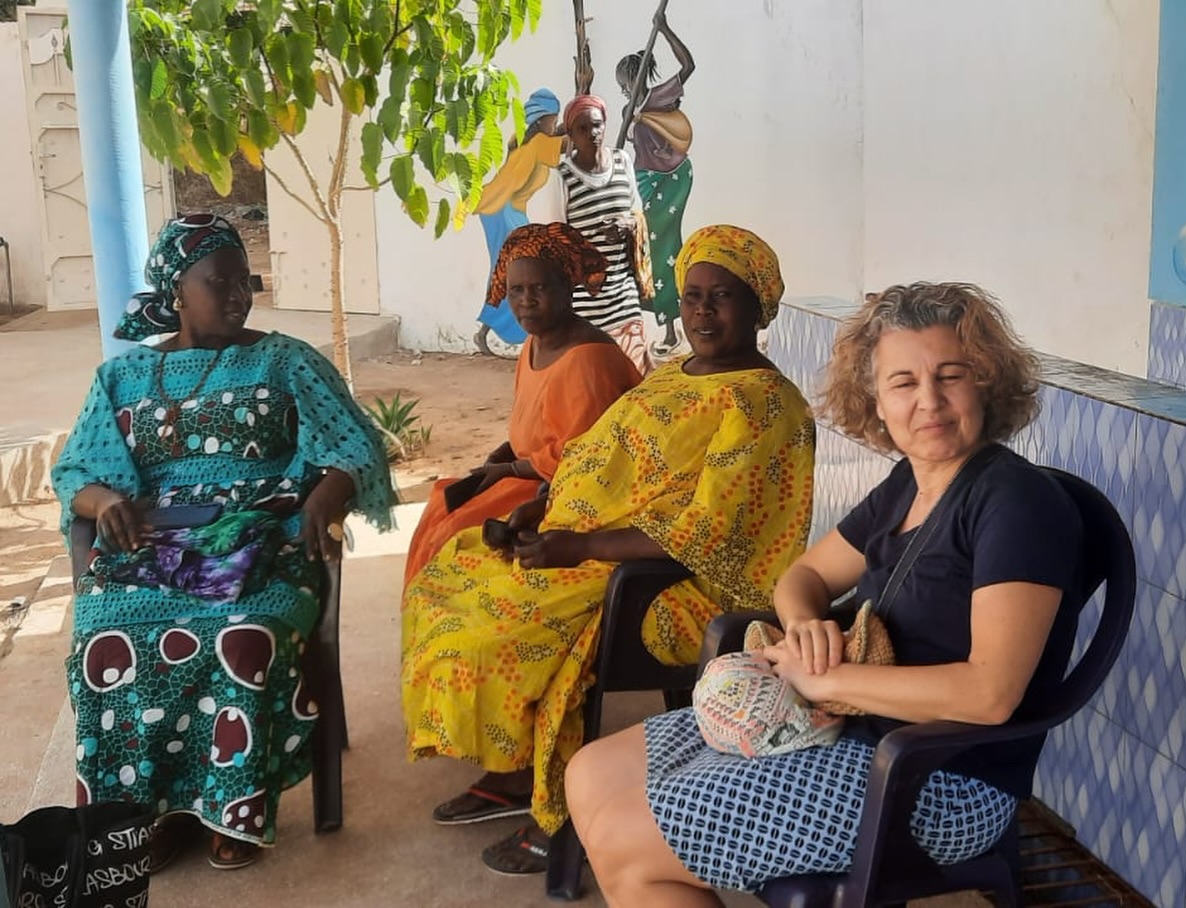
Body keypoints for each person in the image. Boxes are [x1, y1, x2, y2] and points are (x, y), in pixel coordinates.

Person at [564, 281, 1088, 905]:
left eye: (952, 375)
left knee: (629, 840)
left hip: (939, 780)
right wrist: (805, 623)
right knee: (591, 772)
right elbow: (803, 578)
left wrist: (825, 682)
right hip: (849, 731)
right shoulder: (910, 484)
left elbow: (989, 694)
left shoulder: (1014, 502)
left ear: (988, 382)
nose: (930, 401)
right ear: (876, 399)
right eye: (903, 382)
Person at [401, 225, 816, 875]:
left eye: (722, 297)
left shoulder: (764, 406)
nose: (702, 312)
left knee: (487, 637)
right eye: (691, 296)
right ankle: (511, 770)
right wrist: (542, 508)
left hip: (672, 587)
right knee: (446, 578)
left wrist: (582, 545)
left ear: (758, 305)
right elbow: (597, 460)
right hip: (603, 553)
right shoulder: (678, 375)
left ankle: (556, 813)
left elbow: (709, 538)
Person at [52, 214, 395, 872]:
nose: (239, 296)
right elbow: (76, 472)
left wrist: (328, 493)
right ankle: (144, 815)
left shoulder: (284, 359)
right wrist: (106, 501)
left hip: (260, 544)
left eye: (247, 282)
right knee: (106, 642)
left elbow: (356, 445)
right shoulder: (121, 379)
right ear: (177, 289)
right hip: (152, 547)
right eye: (220, 282)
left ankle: (230, 806)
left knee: (241, 636)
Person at [402, 222, 643, 587]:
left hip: (565, 493)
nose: (525, 301)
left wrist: (513, 468)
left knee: (453, 535)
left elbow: (588, 458)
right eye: (516, 290)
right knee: (439, 509)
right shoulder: (536, 343)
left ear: (567, 289)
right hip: (528, 475)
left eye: (539, 288)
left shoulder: (588, 360)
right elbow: (531, 425)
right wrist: (501, 457)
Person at [552, 94, 651, 374]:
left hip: (624, 294)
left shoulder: (622, 162)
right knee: (596, 379)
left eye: (597, 125)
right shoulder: (562, 177)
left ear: (605, 125)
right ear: (570, 133)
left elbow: (638, 214)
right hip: (585, 303)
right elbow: (556, 241)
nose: (592, 134)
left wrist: (626, 224)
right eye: (582, 129)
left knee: (633, 375)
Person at [617, 8, 696, 356]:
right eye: (623, 85)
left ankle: (671, 330)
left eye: (627, 83)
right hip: (645, 178)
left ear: (636, 80)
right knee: (645, 247)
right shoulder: (626, 112)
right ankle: (664, 325)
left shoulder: (657, 97)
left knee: (658, 245)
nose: (625, 89)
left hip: (671, 177)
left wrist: (664, 30)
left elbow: (688, 66)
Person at [471, 88, 567, 355]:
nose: (555, 123)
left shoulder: (526, 141)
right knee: (519, 269)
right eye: (553, 118)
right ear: (542, 119)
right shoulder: (538, 145)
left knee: (509, 269)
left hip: (508, 209)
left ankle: (488, 332)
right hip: (503, 210)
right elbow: (572, 141)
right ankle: (521, 334)